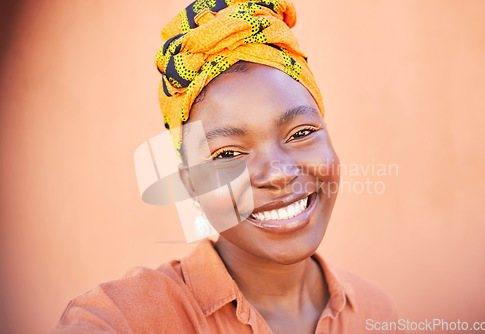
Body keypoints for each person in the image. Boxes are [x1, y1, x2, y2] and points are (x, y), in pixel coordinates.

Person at [54, 0, 399, 333]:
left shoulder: (373, 312)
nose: (278, 172)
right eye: (227, 154)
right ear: (190, 183)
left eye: (301, 132)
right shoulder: (128, 316)